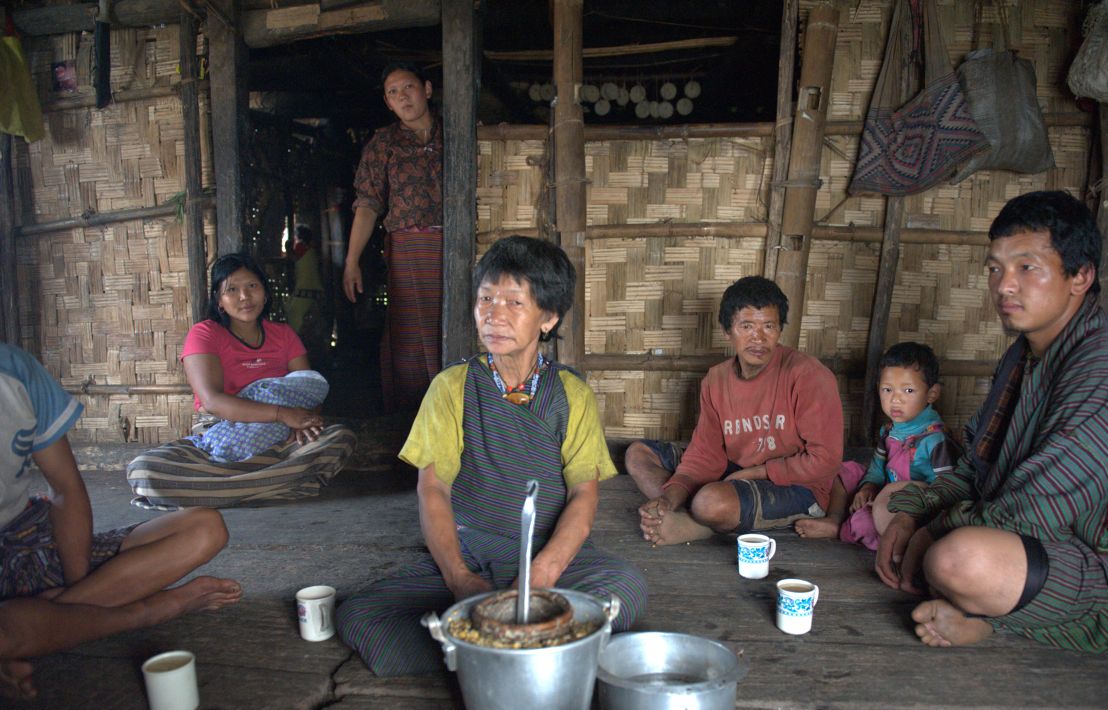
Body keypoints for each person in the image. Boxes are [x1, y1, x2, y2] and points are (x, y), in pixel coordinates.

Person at [875, 190, 1108, 652]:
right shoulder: (1022, 356)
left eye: (1027, 267)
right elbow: (976, 470)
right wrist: (912, 515)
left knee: (957, 559)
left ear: (1081, 276)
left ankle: (989, 620)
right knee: (893, 505)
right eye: (995, 269)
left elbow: (1038, 507)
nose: (1004, 285)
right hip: (1056, 538)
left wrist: (934, 526)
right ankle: (977, 605)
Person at [336, 236, 648, 676]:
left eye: (514, 303)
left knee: (624, 589)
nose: (493, 315)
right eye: (485, 298)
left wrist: (541, 575)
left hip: (547, 551)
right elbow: (433, 490)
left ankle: (477, 653)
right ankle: (539, 652)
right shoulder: (452, 387)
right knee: (361, 616)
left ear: (549, 317)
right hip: (470, 550)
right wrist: (459, 578)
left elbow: (583, 496)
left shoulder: (570, 395)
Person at [1, 343, 242, 699]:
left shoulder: (13, 369)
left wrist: (80, 592)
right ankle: (145, 612)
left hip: (27, 539)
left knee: (204, 528)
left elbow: (66, 490)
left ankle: (44, 626)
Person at [626, 276, 843, 546]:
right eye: (747, 326)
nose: (759, 338)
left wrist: (756, 473)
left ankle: (702, 523)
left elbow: (826, 460)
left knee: (710, 501)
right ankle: (692, 513)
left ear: (780, 330)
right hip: (733, 472)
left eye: (769, 326)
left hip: (798, 486)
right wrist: (667, 500)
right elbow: (705, 455)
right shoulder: (716, 380)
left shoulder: (808, 375)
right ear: (728, 331)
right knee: (638, 454)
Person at [127, 254, 356, 508]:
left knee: (340, 438)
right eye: (232, 290)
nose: (244, 297)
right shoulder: (205, 333)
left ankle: (219, 490)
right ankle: (276, 484)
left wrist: (304, 421)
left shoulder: (284, 335)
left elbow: (309, 391)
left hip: (283, 437)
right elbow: (212, 401)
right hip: (219, 436)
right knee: (144, 471)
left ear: (265, 293)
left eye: (252, 287)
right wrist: (281, 413)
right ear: (219, 301)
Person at [343, 61, 443, 414]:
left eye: (409, 87)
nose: (403, 96)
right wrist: (352, 260)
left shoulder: (457, 131)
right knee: (413, 333)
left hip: (458, 248)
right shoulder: (383, 144)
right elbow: (369, 204)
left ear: (427, 89)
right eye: (393, 92)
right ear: (387, 103)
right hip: (410, 253)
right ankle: (414, 417)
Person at [795, 342, 956, 550]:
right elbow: (877, 469)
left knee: (866, 523)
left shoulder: (935, 440)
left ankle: (841, 531)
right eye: (887, 390)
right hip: (883, 491)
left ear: (932, 394)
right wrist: (868, 487)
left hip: (909, 508)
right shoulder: (888, 431)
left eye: (908, 390)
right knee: (843, 471)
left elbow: (946, 492)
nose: (895, 399)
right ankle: (835, 518)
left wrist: (887, 503)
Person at [285, 224, 325, 338]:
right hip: (315, 296)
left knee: (295, 328)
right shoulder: (313, 252)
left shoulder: (300, 248)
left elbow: (293, 257)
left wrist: (288, 246)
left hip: (302, 298)